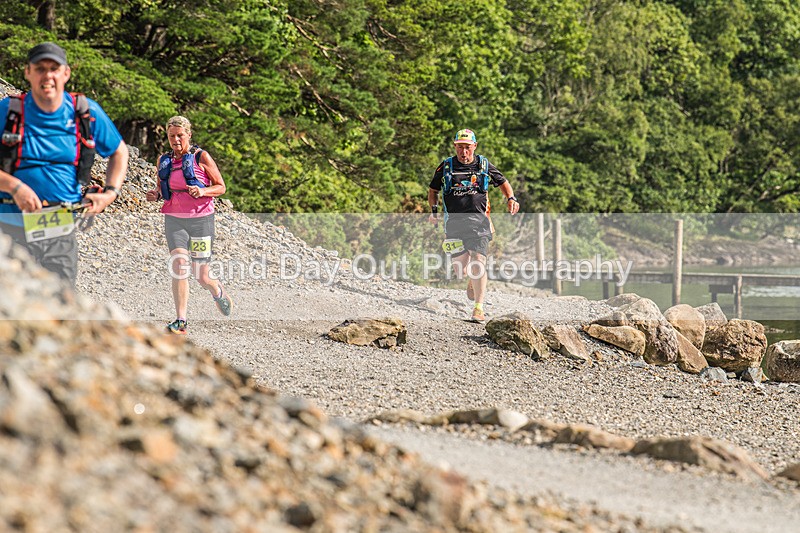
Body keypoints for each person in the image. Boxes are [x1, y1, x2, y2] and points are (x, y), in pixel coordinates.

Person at [0, 42, 128, 284]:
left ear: (65, 73)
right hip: (9, 225)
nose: (47, 75)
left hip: (58, 226)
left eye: (54, 68)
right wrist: (14, 187)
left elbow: (119, 152)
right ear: (28, 72)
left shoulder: (85, 112)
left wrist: (110, 193)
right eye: (40, 68)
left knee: (61, 308)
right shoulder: (8, 111)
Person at [146, 115, 232, 334]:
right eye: (171, 136)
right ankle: (181, 321)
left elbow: (220, 187)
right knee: (179, 266)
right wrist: (155, 194)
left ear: (189, 135)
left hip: (201, 221)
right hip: (175, 220)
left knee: (201, 274)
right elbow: (161, 186)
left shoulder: (201, 157)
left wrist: (203, 190)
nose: (175, 140)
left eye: (180, 136)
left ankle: (218, 291)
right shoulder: (163, 159)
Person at [428, 128, 519, 322]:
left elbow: (503, 182)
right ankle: (472, 278)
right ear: (455, 147)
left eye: (467, 147)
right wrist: (434, 212)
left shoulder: (484, 164)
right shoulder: (446, 166)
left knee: (478, 261)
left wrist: (510, 197)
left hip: (480, 223)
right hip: (453, 223)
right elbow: (433, 189)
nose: (464, 151)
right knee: (460, 270)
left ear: (474, 146)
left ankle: (478, 307)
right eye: (460, 147)